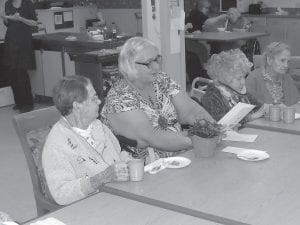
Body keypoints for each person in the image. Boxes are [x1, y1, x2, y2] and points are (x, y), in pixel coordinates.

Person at [101, 37, 213, 161]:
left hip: (182, 154)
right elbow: (152, 137)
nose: (157, 67)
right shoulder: (119, 97)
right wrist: (200, 140)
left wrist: (214, 129)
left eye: (157, 59)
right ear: (130, 65)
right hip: (145, 167)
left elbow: (191, 111)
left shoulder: (161, 79)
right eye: (149, 63)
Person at [42, 76, 130, 205]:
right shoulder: (57, 144)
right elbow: (61, 194)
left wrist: (128, 162)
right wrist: (99, 179)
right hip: (90, 205)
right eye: (94, 98)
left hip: (119, 195)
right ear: (77, 107)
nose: (99, 101)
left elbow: (117, 154)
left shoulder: (98, 126)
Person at [201, 49, 267, 124]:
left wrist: (269, 107)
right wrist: (252, 116)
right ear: (224, 78)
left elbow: (259, 106)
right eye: (239, 78)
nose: (243, 82)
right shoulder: (211, 97)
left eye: (244, 77)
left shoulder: (239, 91)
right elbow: (221, 124)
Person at [1, 0, 38, 113]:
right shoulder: (7, 4)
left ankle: (27, 103)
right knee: (12, 72)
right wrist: (5, 19)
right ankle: (19, 102)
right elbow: (8, 24)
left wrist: (20, 19)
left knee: (22, 72)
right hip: (11, 40)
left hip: (24, 41)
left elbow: (34, 23)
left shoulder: (27, 3)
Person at [246, 42, 300, 106]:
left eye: (288, 61)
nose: (286, 65)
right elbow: (250, 106)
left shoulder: (287, 77)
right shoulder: (253, 78)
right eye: (282, 60)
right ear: (269, 60)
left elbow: (296, 103)